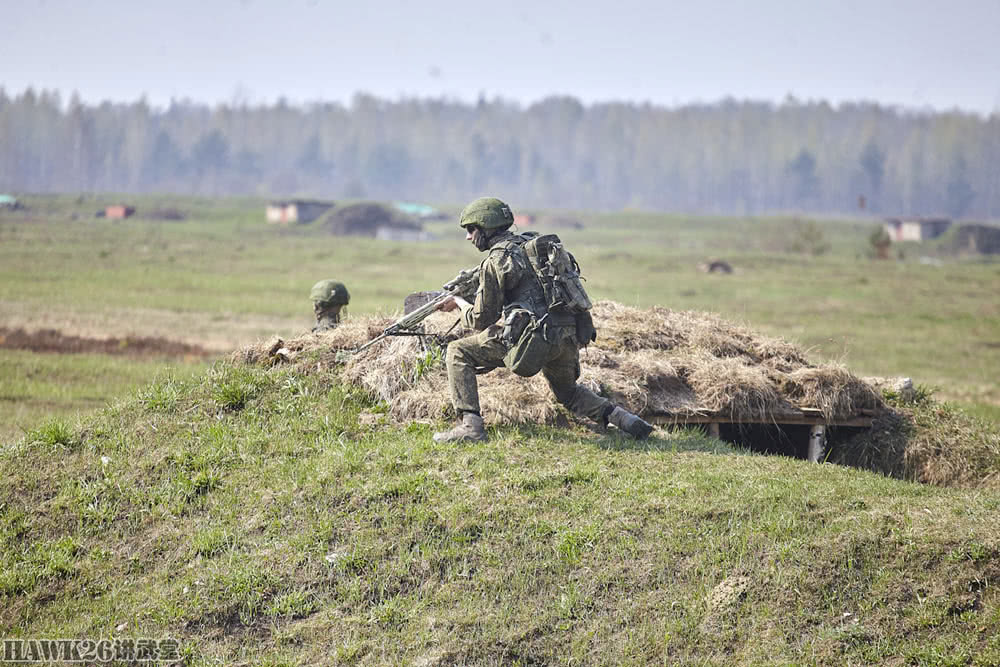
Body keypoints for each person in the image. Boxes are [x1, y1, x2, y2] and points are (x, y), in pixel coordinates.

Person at [432, 197, 653, 443]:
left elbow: (481, 319)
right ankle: (626, 420)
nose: (468, 237)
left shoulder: (496, 261)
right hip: (567, 334)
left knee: (458, 351)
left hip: (533, 342)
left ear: (486, 226)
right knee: (568, 394)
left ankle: (470, 427)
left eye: (471, 230)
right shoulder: (533, 244)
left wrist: (459, 304)